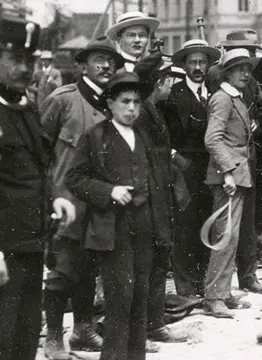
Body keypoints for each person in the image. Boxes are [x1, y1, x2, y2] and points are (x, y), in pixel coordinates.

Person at [65, 71, 173, 360]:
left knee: (141, 298)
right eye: (125, 102)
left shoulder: (143, 137)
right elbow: (74, 178)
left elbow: (157, 184)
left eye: (137, 103)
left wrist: (161, 231)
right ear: (110, 103)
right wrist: (108, 191)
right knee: (120, 301)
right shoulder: (95, 136)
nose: (131, 109)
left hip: (144, 226)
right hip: (113, 229)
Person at [39, 36, 125, 360]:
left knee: (89, 267)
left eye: (110, 61)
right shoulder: (63, 100)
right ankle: (53, 337)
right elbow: (39, 150)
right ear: (82, 65)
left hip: (99, 201)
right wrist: (49, 196)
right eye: (98, 59)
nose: (105, 66)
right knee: (62, 270)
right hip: (66, 201)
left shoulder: (113, 103)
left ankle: (83, 330)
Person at [0, 17, 76, 360]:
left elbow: (37, 168)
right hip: (4, 250)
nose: (25, 69)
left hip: (30, 241)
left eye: (29, 60)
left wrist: (56, 197)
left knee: (26, 333)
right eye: (14, 59)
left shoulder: (25, 106)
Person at [133, 58, 195, 343]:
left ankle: (154, 324)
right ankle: (144, 327)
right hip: (148, 197)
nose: (172, 85)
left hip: (160, 194)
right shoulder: (143, 115)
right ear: (158, 83)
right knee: (147, 263)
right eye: (169, 80)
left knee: (159, 260)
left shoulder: (153, 110)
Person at [207, 29, 262, 295]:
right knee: (225, 237)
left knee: (231, 238)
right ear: (227, 73)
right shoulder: (222, 99)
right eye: (239, 69)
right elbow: (213, 139)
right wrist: (228, 172)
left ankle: (224, 293)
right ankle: (215, 296)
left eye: (247, 69)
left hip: (238, 174)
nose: (245, 74)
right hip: (229, 177)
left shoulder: (237, 97)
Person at [165, 39, 221, 301]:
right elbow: (162, 135)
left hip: (210, 168)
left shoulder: (215, 92)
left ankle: (202, 283)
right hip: (184, 168)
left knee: (206, 224)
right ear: (184, 66)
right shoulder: (172, 95)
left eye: (202, 62)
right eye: (192, 62)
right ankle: (185, 287)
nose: (198, 67)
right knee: (185, 226)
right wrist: (176, 158)